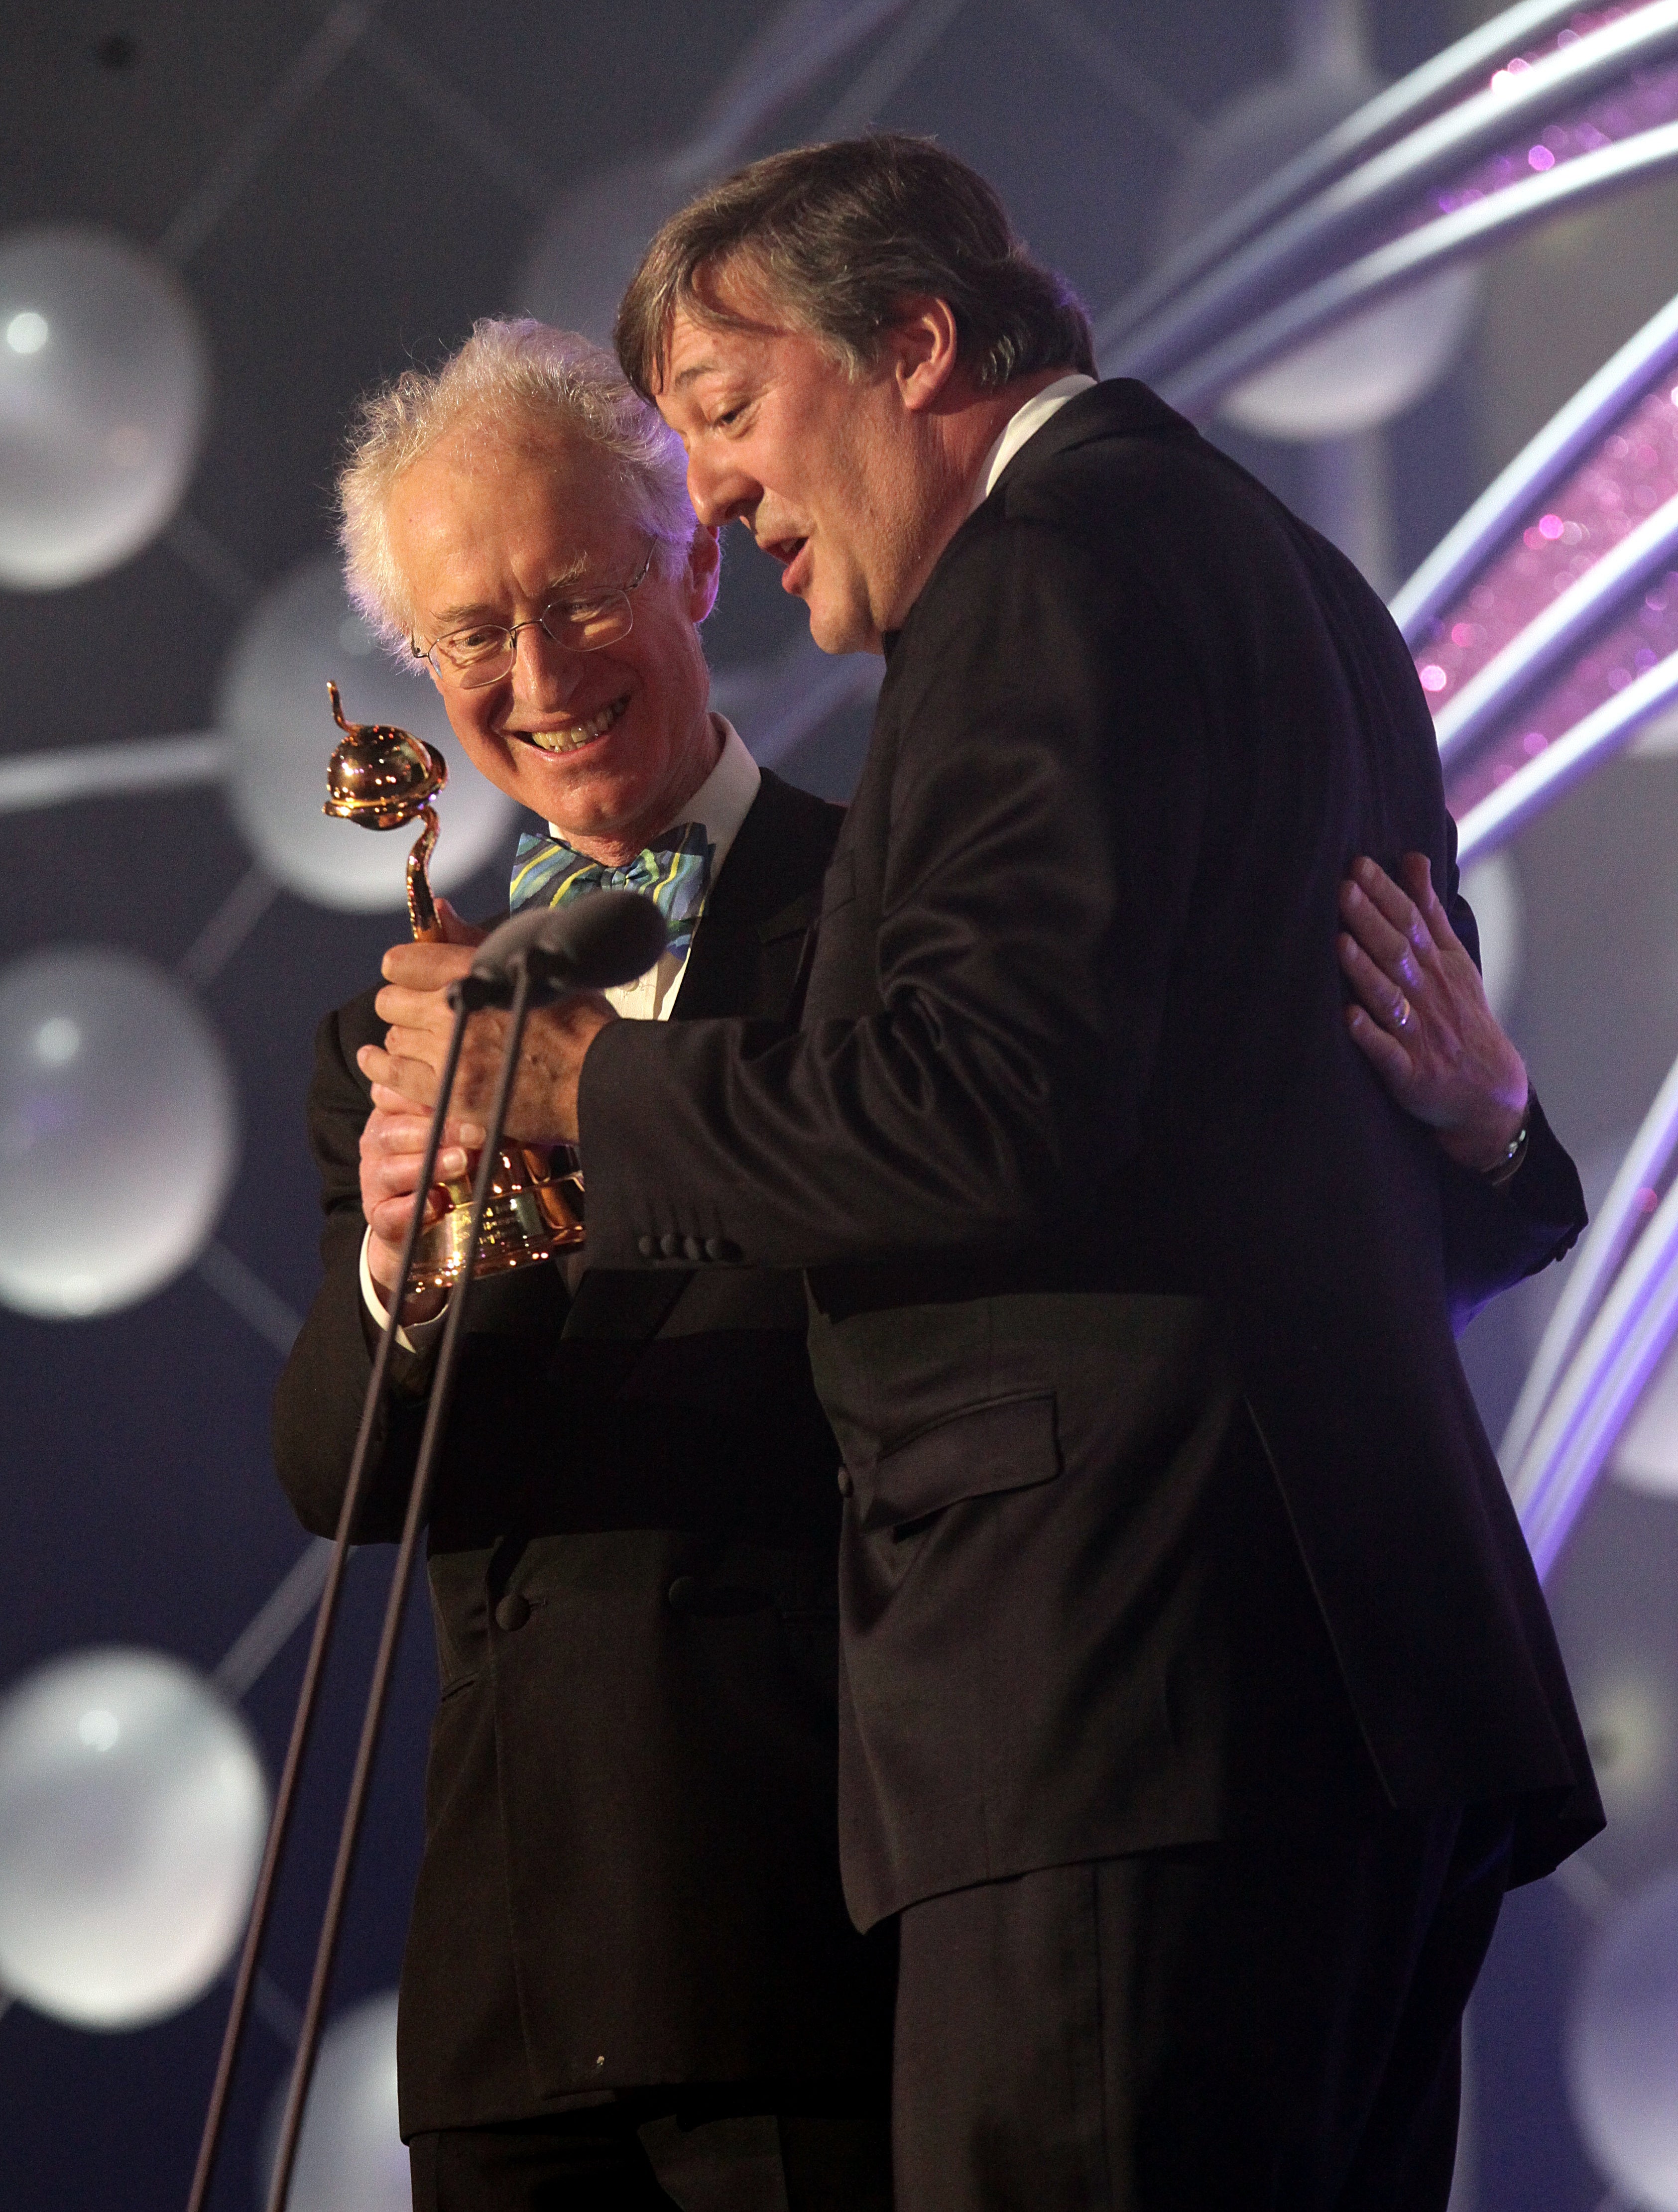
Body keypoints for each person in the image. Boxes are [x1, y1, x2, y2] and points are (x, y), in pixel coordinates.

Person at [360, 151, 1596, 2207]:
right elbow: (1305, 1159)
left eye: (731, 412)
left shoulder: (1044, 572)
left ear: (917, 346)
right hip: (1351, 1711)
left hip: (1125, 1702)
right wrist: (1496, 1144)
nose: (724, 502)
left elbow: (984, 1105)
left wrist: (596, 1091)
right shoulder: (1293, 578)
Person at [271, 321, 895, 2212]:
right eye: (470, 635)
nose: (534, 678)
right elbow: (340, 1476)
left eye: (577, 597)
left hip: (822, 1924)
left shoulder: (887, 915)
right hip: (517, 1982)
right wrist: (402, 1251)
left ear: (695, 564)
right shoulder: (390, 1036)